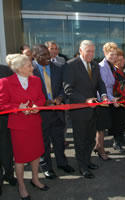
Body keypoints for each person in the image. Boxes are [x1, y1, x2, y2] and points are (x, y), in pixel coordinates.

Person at [0, 54, 48, 199]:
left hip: (34, 123)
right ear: (20, 69)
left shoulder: (36, 80)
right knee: (20, 158)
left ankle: (35, 179)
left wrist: (37, 106)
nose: (32, 67)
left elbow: (41, 98)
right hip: (18, 127)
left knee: (36, 153)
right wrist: (17, 107)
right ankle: (21, 185)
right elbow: (2, 105)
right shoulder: (5, 82)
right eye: (28, 66)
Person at [63, 40, 107, 179]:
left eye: (93, 51)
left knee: (89, 139)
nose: (91, 54)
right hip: (79, 111)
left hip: (93, 110)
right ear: (81, 51)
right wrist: (85, 100)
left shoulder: (94, 64)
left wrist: (104, 95)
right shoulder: (71, 65)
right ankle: (82, 167)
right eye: (88, 51)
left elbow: (100, 83)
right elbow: (68, 89)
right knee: (80, 140)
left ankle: (87, 161)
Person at [32, 45, 74, 179]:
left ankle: (62, 163)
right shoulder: (29, 70)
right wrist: (43, 101)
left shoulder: (58, 68)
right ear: (35, 56)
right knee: (43, 141)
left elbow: (64, 86)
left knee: (59, 139)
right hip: (40, 113)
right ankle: (47, 167)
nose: (48, 58)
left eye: (48, 54)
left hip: (57, 111)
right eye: (43, 55)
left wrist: (61, 97)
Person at [97, 42, 118, 159]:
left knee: (101, 127)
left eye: (115, 54)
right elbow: (103, 87)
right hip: (102, 100)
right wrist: (112, 98)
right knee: (101, 128)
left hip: (108, 98)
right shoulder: (102, 67)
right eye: (111, 54)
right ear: (105, 53)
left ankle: (97, 146)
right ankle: (101, 151)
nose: (114, 57)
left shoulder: (111, 66)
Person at [0, 64, 16, 195]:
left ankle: (9, 175)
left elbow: (14, 93)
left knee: (6, 150)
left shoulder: (5, 70)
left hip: (4, 120)